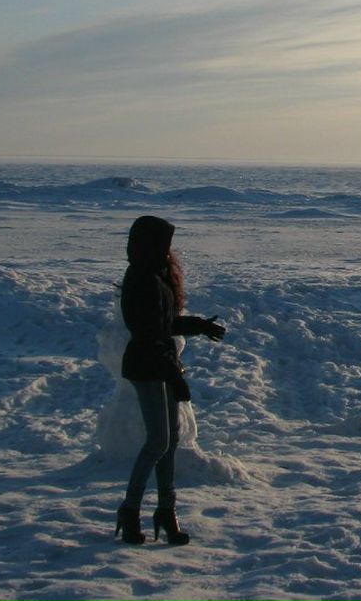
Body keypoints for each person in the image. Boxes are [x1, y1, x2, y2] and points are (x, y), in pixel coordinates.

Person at [114, 215, 226, 546]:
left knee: (170, 441)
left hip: (162, 362)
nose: (169, 252)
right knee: (158, 442)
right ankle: (130, 509)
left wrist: (199, 326)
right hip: (147, 365)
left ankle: (167, 510)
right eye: (164, 244)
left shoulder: (158, 276)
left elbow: (166, 326)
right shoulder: (141, 279)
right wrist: (173, 376)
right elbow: (149, 335)